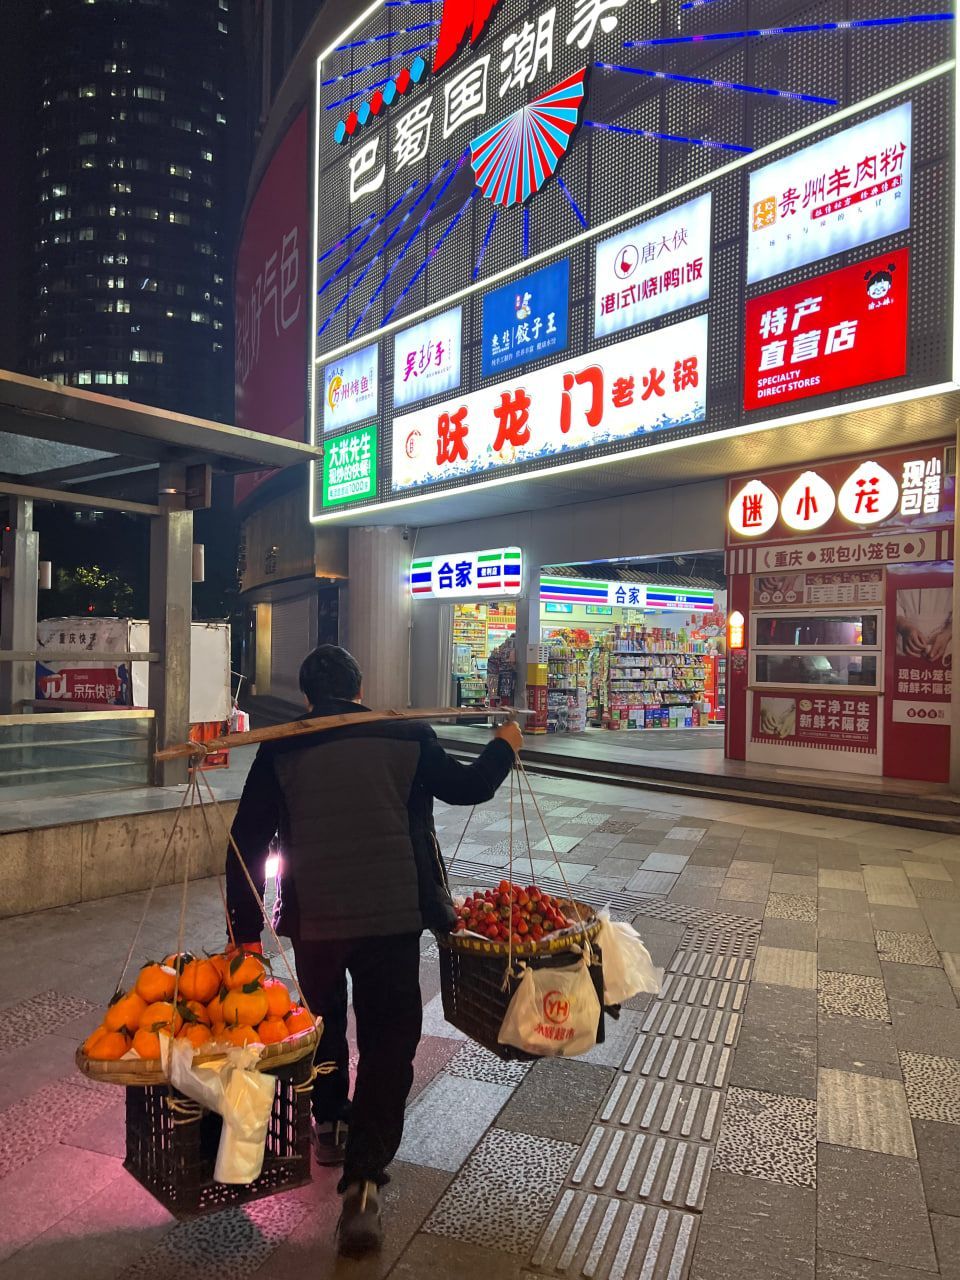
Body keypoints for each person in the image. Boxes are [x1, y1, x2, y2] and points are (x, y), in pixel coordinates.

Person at [225, 644, 521, 1258]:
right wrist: (505, 745)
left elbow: (245, 840)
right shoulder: (408, 735)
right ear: (359, 687)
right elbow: (468, 788)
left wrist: (246, 935)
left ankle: (330, 1118)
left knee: (322, 1019)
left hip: (316, 921)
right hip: (392, 919)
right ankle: (363, 1182)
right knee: (389, 1042)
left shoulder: (281, 746)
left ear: (308, 697)